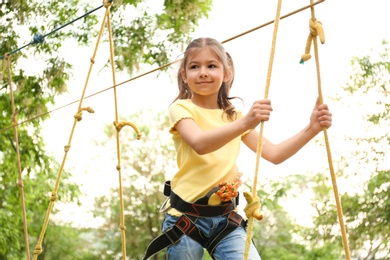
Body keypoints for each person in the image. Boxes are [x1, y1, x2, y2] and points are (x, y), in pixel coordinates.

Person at [143, 37, 332, 260]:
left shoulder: (232, 117)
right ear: (184, 75)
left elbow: (274, 154)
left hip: (225, 220)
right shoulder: (181, 108)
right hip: (185, 216)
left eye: (211, 65)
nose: (203, 72)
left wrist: (311, 129)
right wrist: (245, 123)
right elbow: (200, 144)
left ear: (227, 73)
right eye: (195, 67)